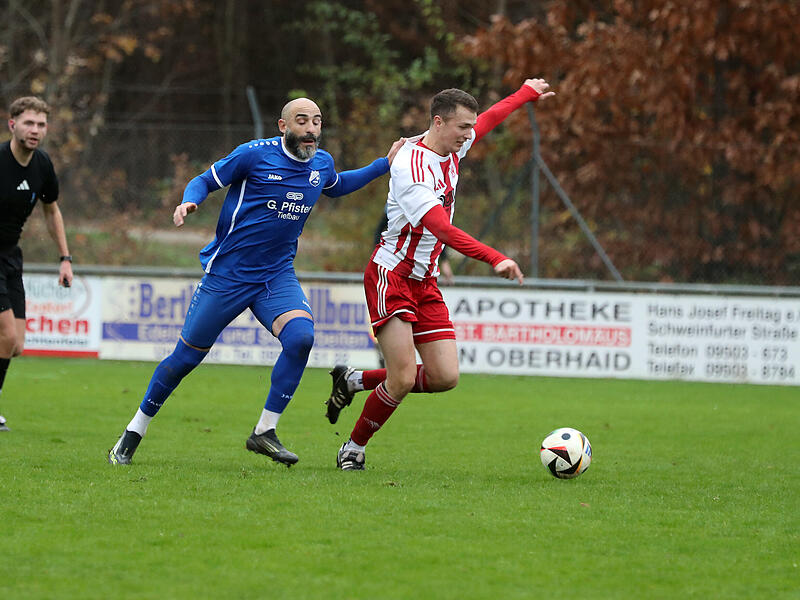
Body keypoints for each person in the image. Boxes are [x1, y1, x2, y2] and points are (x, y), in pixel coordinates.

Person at [108, 97, 403, 466]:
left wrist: (383, 165)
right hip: (228, 274)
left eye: (317, 121)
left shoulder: (321, 163)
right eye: (302, 121)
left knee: (301, 338)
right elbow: (204, 180)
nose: (311, 129)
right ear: (283, 126)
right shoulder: (254, 154)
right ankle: (133, 431)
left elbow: (337, 184)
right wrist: (189, 201)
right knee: (185, 359)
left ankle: (265, 431)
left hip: (276, 275)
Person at [324, 78, 555, 470]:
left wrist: (525, 93)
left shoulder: (453, 146)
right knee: (401, 378)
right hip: (391, 275)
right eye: (462, 127)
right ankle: (353, 448)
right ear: (438, 122)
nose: (469, 134)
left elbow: (489, 119)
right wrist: (494, 257)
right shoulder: (410, 167)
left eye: (470, 127)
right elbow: (442, 229)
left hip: (425, 280)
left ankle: (354, 380)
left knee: (445, 376)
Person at [0, 97, 73, 432]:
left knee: (15, 344)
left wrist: (65, 259)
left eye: (41, 124)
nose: (35, 130)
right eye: (28, 123)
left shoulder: (42, 164)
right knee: (4, 335)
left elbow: (51, 210)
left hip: (10, 256)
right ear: (12, 124)